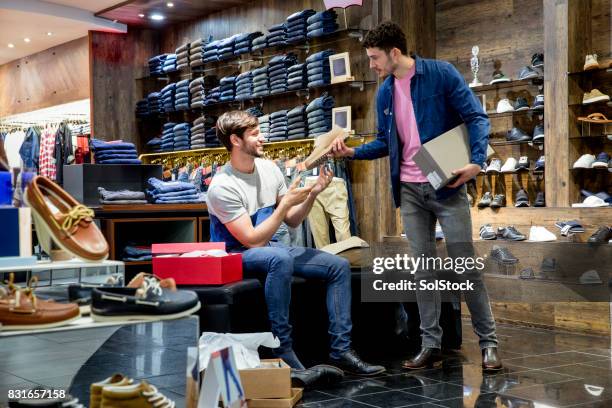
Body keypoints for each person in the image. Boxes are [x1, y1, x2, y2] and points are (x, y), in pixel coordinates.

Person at [330, 21, 502, 371]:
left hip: (447, 185)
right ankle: (430, 344)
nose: (373, 66)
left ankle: (489, 345)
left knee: (465, 267)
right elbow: (385, 142)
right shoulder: (385, 93)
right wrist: (352, 153)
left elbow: (476, 116)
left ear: (395, 52)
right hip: (409, 190)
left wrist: (477, 162)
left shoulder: (440, 74)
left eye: (375, 58)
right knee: (423, 270)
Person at [206, 110, 385, 375]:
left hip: (269, 247)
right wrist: (285, 204)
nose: (262, 138)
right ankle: (283, 349)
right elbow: (251, 240)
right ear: (235, 140)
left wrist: (313, 193)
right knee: (280, 258)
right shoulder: (222, 186)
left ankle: (341, 350)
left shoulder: (268, 168)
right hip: (235, 252)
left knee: (337, 265)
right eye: (254, 134)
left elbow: (292, 219)